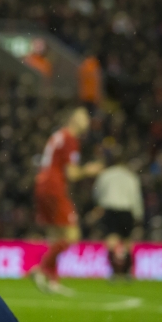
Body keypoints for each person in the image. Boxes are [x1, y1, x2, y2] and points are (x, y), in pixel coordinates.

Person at [32, 107, 103, 296]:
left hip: (42, 184)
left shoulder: (59, 135)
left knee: (56, 235)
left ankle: (53, 281)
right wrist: (89, 169)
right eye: (83, 117)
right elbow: (71, 173)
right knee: (73, 234)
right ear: (73, 119)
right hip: (54, 187)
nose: (87, 121)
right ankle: (40, 269)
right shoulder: (71, 139)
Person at [91, 146, 143, 278]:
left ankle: (113, 271)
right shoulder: (131, 176)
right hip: (126, 210)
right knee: (127, 242)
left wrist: (100, 204)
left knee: (111, 240)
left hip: (111, 209)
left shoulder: (105, 175)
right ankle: (128, 271)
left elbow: (96, 194)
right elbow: (136, 197)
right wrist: (138, 215)